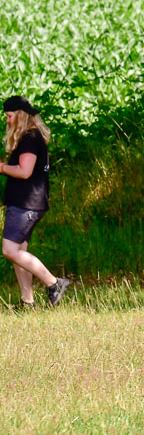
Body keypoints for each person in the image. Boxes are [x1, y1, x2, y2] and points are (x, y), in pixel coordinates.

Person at [1, 96, 69, 308]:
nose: (7, 121)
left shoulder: (29, 138)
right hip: (29, 203)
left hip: (25, 204)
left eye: (9, 116)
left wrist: (2, 168)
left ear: (20, 115)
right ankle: (27, 301)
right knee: (19, 252)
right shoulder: (32, 136)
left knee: (9, 250)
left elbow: (25, 171)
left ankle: (54, 283)